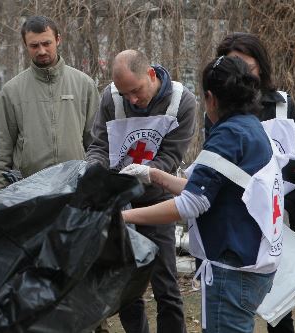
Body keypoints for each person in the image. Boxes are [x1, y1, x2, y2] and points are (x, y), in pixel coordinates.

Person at [121, 56, 285, 333]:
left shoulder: (229, 135)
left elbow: (191, 204)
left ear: (210, 98)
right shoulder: (251, 127)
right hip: (253, 263)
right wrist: (155, 175)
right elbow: (210, 192)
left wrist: (122, 216)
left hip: (232, 268)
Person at [205, 33, 295, 333]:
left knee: (279, 311)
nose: (241, 72)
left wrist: (279, 206)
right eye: (231, 64)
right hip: (236, 226)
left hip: (278, 221)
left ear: (261, 68)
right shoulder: (215, 109)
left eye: (246, 65)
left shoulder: (282, 105)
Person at [86, 49, 196, 333]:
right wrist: (95, 171)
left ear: (150, 74)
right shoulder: (111, 97)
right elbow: (99, 145)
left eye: (136, 91)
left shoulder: (182, 101)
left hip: (157, 201)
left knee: (166, 286)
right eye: (126, 95)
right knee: (126, 286)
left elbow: (171, 156)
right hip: (118, 200)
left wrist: (146, 173)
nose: (132, 100)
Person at [0, 15, 99, 190]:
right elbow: (0, 148)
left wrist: (96, 185)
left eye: (46, 43)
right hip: (28, 190)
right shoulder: (12, 91)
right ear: (26, 46)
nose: (41, 51)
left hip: (75, 188)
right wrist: (0, 194)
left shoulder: (84, 84)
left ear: (58, 40)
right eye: (34, 45)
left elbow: (97, 143)